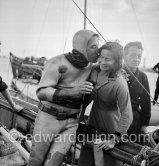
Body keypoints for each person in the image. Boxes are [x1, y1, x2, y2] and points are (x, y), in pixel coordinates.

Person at [28, 29, 99, 166]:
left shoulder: (93, 68)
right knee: (35, 162)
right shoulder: (56, 62)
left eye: (98, 46)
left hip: (71, 124)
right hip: (48, 120)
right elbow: (41, 92)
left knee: (53, 164)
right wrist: (73, 91)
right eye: (93, 47)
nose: (97, 51)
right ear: (81, 47)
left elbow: (111, 65)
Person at [79, 42, 133, 166]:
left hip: (112, 128)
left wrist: (115, 138)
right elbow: (86, 97)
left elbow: (127, 113)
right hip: (92, 123)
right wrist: (80, 116)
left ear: (117, 61)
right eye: (101, 57)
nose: (103, 61)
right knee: (85, 161)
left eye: (107, 59)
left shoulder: (120, 83)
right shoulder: (93, 71)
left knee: (109, 163)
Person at [123, 41, 151, 137]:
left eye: (139, 56)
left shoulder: (143, 77)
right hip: (117, 117)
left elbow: (146, 102)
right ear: (124, 56)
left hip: (135, 119)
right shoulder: (116, 72)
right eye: (133, 55)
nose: (136, 59)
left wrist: (145, 124)